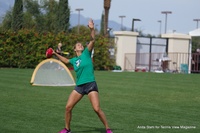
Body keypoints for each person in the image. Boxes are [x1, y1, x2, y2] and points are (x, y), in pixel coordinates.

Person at [52, 19, 113, 133]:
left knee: (96, 109)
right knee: (68, 107)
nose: (80, 45)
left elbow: (93, 39)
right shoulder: (74, 60)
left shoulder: (86, 53)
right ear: (75, 49)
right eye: (77, 45)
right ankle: (67, 129)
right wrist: (55, 54)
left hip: (90, 84)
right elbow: (65, 60)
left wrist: (92, 29)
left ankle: (108, 128)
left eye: (80, 44)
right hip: (79, 86)